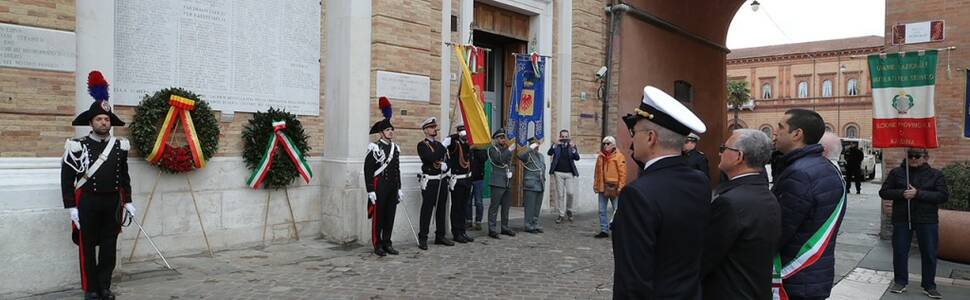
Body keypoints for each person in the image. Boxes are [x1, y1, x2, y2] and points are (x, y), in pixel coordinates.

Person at [613, 86, 710, 299]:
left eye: (634, 132)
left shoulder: (637, 194)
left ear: (650, 137)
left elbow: (632, 281)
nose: (632, 140)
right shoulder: (699, 181)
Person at [62, 71, 135, 300]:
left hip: (112, 202)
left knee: (108, 247)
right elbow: (66, 178)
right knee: (87, 247)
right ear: (91, 123)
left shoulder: (119, 146)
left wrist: (129, 201)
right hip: (88, 202)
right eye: (99, 119)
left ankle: (105, 286)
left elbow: (124, 176)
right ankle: (91, 288)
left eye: (106, 119)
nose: (104, 122)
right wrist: (71, 206)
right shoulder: (77, 146)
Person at [771, 109, 846, 300]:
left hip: (794, 276)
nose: (774, 132)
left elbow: (780, 230)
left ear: (797, 134)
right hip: (815, 274)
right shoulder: (826, 167)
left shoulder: (800, 173)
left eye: (780, 127)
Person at [701, 129, 781, 300]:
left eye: (724, 148)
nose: (719, 153)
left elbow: (706, 257)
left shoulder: (730, 202)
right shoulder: (766, 194)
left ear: (739, 157)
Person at [880, 148, 948, 299]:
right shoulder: (897, 173)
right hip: (902, 218)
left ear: (925, 157)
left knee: (929, 252)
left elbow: (942, 196)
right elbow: (884, 192)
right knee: (900, 251)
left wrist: (918, 194)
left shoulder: (936, 174)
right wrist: (901, 193)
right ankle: (900, 281)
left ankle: (929, 285)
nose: (913, 159)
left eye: (917, 156)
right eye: (910, 156)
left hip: (927, 219)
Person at [364, 97, 402, 257]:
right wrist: (370, 190)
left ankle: (387, 242)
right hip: (379, 186)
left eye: (391, 130)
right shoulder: (374, 148)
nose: (390, 132)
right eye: (387, 130)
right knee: (378, 218)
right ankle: (377, 244)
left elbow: (397, 169)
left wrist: (399, 187)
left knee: (390, 215)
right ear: (381, 133)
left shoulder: (395, 148)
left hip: (392, 186)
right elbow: (368, 170)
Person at [416, 117, 453, 249]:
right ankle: (423, 237)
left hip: (441, 180)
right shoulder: (422, 145)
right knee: (426, 210)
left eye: (435, 127)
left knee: (441, 209)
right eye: (431, 127)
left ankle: (440, 236)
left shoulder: (439, 145)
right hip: (430, 181)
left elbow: (449, 161)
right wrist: (443, 146)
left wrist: (446, 166)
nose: (434, 129)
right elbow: (430, 158)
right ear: (425, 130)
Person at [445, 125, 474, 243]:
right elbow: (450, 144)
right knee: (456, 207)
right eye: (463, 132)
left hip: (467, 179)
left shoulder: (467, 144)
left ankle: (462, 231)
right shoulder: (455, 144)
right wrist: (453, 136)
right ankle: (456, 232)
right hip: (457, 179)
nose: (465, 134)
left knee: (464, 207)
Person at [593, 136, 626, 238]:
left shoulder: (619, 157)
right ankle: (604, 230)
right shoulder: (600, 157)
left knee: (617, 209)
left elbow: (623, 173)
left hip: (614, 186)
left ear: (613, 145)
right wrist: (595, 184)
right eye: (604, 143)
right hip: (602, 186)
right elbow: (597, 172)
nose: (605, 145)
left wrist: (621, 186)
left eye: (608, 143)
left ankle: (618, 228)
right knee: (602, 210)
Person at [487, 129, 516, 239]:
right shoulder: (492, 150)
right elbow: (499, 159)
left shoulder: (505, 150)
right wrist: (508, 150)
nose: (503, 140)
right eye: (500, 138)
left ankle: (505, 227)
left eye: (504, 138)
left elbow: (508, 162)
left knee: (506, 206)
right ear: (496, 139)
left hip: (507, 181)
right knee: (494, 207)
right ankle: (492, 229)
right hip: (497, 182)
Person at [547, 129, 580, 223]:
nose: (564, 139)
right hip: (558, 172)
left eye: (566, 137)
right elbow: (549, 153)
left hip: (569, 173)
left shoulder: (572, 146)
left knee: (570, 193)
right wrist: (554, 145)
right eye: (563, 137)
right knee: (560, 194)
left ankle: (569, 210)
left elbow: (577, 158)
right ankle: (561, 214)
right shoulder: (556, 146)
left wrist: (574, 149)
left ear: (568, 137)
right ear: (560, 137)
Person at [518, 137, 546, 234]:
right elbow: (520, 155)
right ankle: (528, 225)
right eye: (534, 145)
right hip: (530, 184)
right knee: (530, 206)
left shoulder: (541, 156)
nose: (536, 147)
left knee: (537, 206)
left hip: (540, 184)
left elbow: (542, 169)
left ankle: (535, 223)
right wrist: (530, 148)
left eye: (537, 145)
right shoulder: (527, 155)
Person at [468, 146, 488, 231]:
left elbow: (484, 158)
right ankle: (468, 220)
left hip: (478, 178)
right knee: (467, 201)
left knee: (478, 201)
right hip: (468, 178)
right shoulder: (467, 148)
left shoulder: (482, 149)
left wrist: (476, 149)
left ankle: (478, 221)